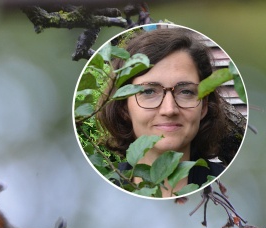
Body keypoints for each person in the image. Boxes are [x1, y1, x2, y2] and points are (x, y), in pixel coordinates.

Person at [96, 26, 235, 197]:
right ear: (124, 107)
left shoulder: (231, 189)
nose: (169, 110)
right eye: (148, 92)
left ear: (204, 106)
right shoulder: (98, 191)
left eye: (186, 92)